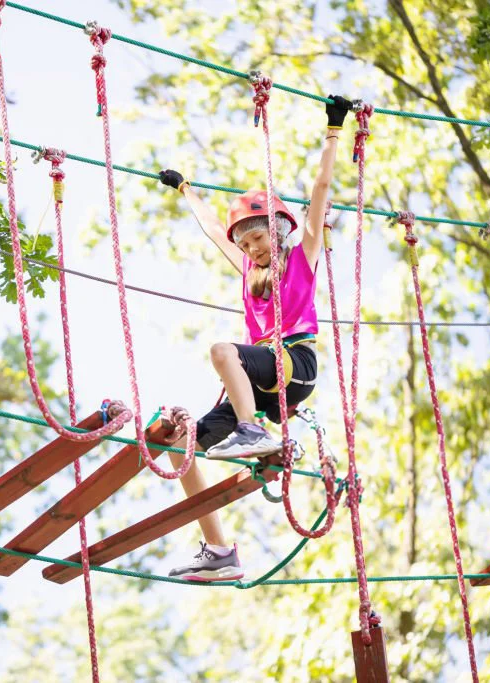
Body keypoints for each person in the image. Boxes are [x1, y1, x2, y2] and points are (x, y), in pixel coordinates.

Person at [157, 95, 353, 581]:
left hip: (294, 365)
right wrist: (186, 190)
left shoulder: (302, 257)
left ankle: (253, 433)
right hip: (261, 382)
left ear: (277, 229)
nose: (251, 249)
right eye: (245, 244)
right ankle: (220, 551)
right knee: (179, 444)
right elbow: (211, 231)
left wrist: (334, 129)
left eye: (258, 238)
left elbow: (322, 188)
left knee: (223, 351)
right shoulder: (250, 274)